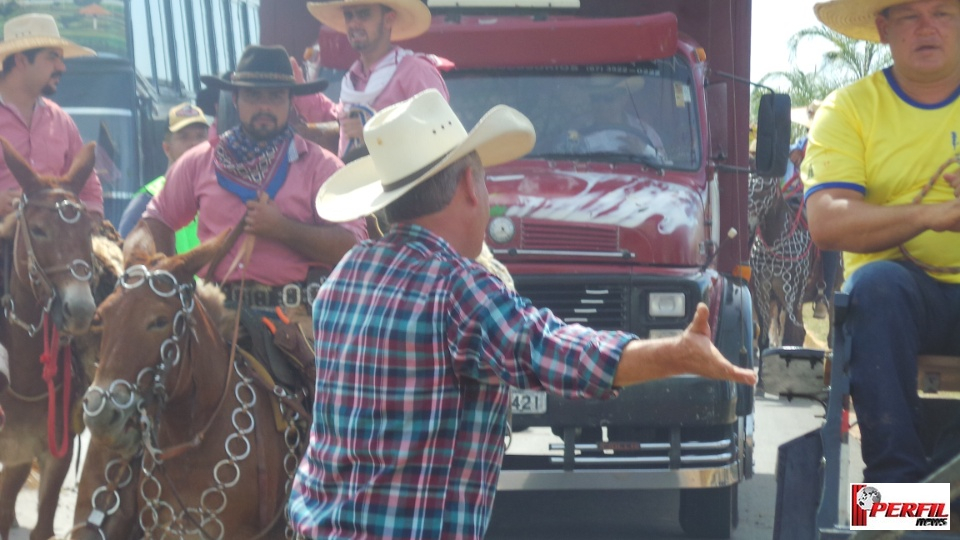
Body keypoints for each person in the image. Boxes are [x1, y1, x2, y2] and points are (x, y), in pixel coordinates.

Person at [288, 89, 757, 538]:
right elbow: (554, 351)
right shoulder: (457, 286)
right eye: (486, 179)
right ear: (471, 186)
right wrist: (677, 353)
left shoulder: (346, 273)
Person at [804, 0, 960, 483]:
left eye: (944, 12)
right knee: (875, 287)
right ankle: (897, 494)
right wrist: (932, 216)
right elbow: (827, 221)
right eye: (910, 14)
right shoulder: (848, 108)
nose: (927, 26)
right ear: (883, 28)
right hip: (902, 303)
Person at [124, 44, 367, 342]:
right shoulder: (199, 162)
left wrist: (283, 229)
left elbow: (352, 247)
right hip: (213, 315)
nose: (264, 106)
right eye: (253, 95)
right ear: (235, 99)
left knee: (328, 388)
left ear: (290, 101)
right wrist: (176, 284)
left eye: (275, 97)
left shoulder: (323, 167)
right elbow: (156, 222)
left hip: (298, 320)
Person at [294, 0, 449, 158]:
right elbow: (342, 124)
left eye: (364, 14)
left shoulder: (417, 72)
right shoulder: (352, 79)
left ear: (389, 19)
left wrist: (377, 134)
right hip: (353, 181)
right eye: (349, 16)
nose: (354, 23)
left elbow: (440, 135)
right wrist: (301, 92)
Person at [0, 13, 103, 218]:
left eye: (61, 58)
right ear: (21, 60)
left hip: (55, 241)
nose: (61, 67)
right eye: (52, 57)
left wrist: (92, 222)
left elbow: (90, 191)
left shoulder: (62, 121)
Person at [116, 102, 210, 250]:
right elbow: (125, 258)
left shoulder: (221, 191)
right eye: (183, 137)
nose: (193, 144)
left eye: (200, 136)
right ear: (167, 148)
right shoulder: (146, 200)